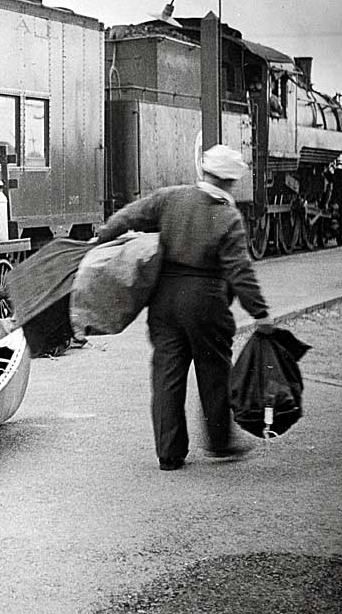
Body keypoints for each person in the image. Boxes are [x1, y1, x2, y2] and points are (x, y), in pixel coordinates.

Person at [95, 144, 274, 471]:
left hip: (163, 298)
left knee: (167, 372)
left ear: (203, 172)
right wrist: (260, 313)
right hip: (205, 299)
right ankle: (220, 443)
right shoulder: (227, 215)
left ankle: (169, 453)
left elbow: (128, 216)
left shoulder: (171, 197)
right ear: (230, 181)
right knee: (214, 371)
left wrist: (102, 238)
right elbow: (240, 271)